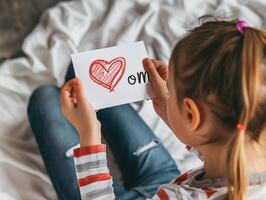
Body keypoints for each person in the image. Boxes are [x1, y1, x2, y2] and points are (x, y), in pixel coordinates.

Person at [28, 19, 266, 200]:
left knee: (44, 99)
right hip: (164, 182)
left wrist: (89, 135)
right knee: (83, 74)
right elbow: (226, 144)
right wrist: (169, 111)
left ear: (192, 115)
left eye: (171, 89)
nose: (166, 91)